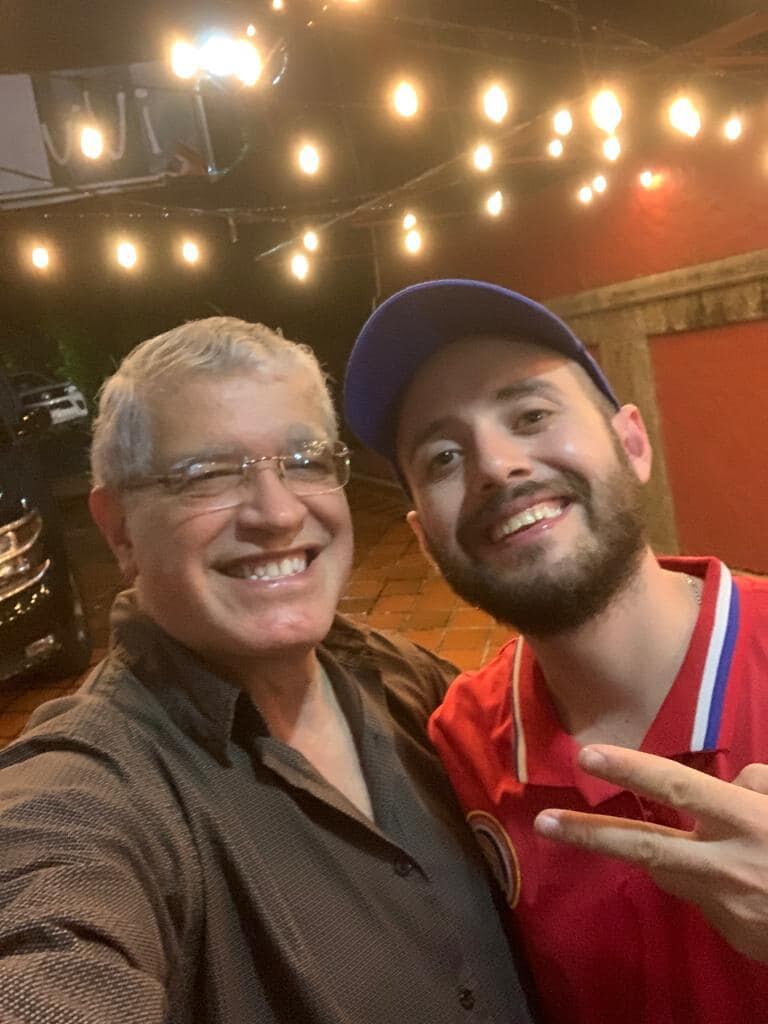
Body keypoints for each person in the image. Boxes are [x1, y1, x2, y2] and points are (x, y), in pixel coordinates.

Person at [0, 317, 534, 1024]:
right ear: (119, 529)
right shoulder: (92, 789)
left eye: (305, 460)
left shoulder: (404, 680)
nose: (278, 513)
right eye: (206, 474)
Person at [344, 278, 768, 1024]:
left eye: (531, 415)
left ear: (632, 443)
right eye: (443, 457)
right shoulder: (463, 743)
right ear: (425, 540)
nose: (494, 466)